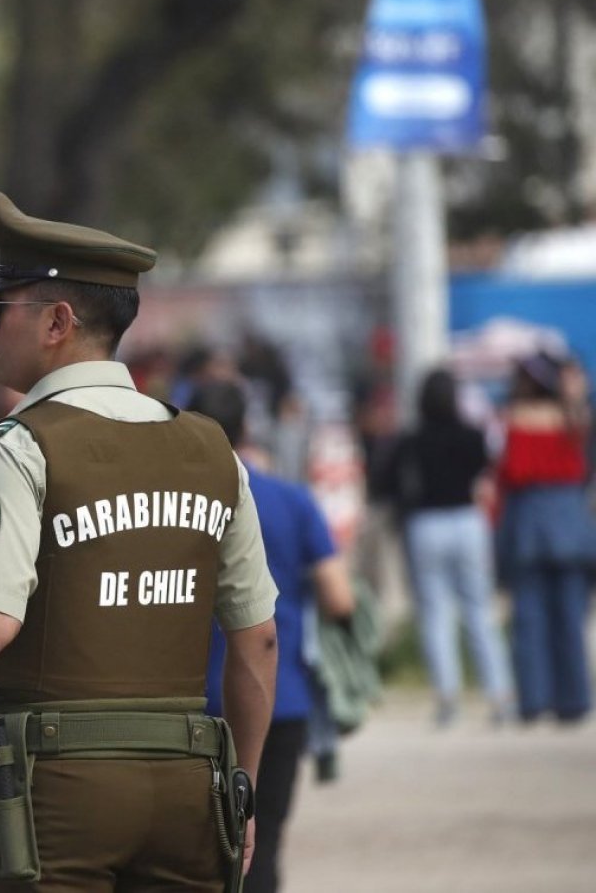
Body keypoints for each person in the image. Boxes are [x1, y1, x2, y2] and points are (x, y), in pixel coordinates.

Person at [0, 193, 279, 892]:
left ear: (57, 321)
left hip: (56, 791)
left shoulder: (21, 445)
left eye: (0, 308)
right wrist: (240, 791)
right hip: (187, 780)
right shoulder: (210, 449)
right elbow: (258, 639)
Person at [190, 381, 355, 893]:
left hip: (189, 707)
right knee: (259, 849)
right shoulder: (292, 500)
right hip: (278, 701)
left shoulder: (177, 509)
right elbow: (339, 598)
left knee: (189, 859)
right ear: (247, 428)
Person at [386, 368, 513, 726]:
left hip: (426, 524)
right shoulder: (472, 435)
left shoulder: (412, 439)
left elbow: (391, 480)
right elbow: (487, 466)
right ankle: (499, 694)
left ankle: (447, 698)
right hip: (467, 521)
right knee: (479, 609)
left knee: (435, 615)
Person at [496, 352, 596, 724]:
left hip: (528, 524)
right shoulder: (574, 421)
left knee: (529, 618)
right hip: (571, 525)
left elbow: (509, 473)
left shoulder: (515, 422)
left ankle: (534, 699)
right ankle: (574, 699)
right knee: (570, 618)